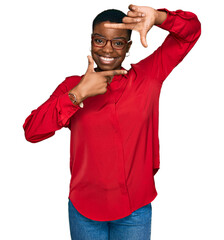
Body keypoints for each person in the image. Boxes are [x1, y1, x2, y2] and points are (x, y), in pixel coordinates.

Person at [23, 4, 201, 240]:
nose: (107, 49)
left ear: (127, 47)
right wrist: (78, 94)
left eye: (117, 43)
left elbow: (190, 32)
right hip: (83, 210)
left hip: (134, 210)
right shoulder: (73, 87)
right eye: (100, 40)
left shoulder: (148, 77)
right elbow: (32, 131)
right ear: (91, 41)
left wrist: (158, 17)